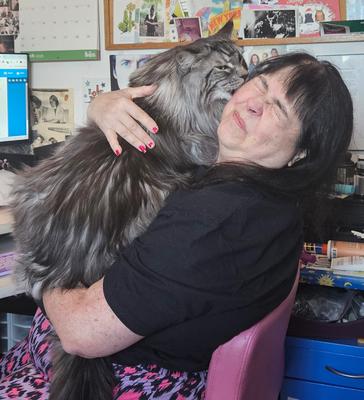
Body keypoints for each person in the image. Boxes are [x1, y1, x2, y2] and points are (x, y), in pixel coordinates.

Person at [0, 53, 353, 398]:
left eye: (278, 107)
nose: (253, 103)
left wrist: (41, 257)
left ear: (301, 153)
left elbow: (80, 335)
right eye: (259, 84)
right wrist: (100, 107)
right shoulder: (262, 195)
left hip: (115, 382)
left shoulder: (217, 222)